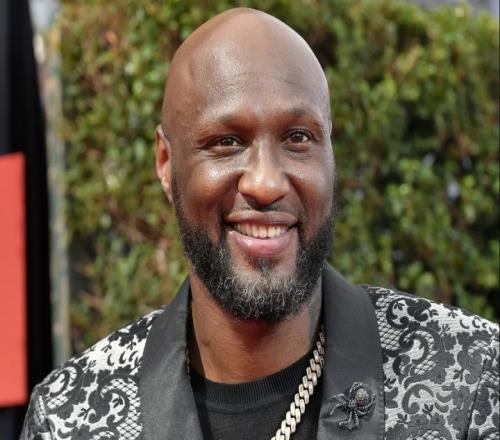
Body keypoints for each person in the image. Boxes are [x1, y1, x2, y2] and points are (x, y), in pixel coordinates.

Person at [21, 8, 498, 440]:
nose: (266, 183)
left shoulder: (468, 377)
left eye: (298, 137)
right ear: (166, 163)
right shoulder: (71, 418)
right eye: (227, 142)